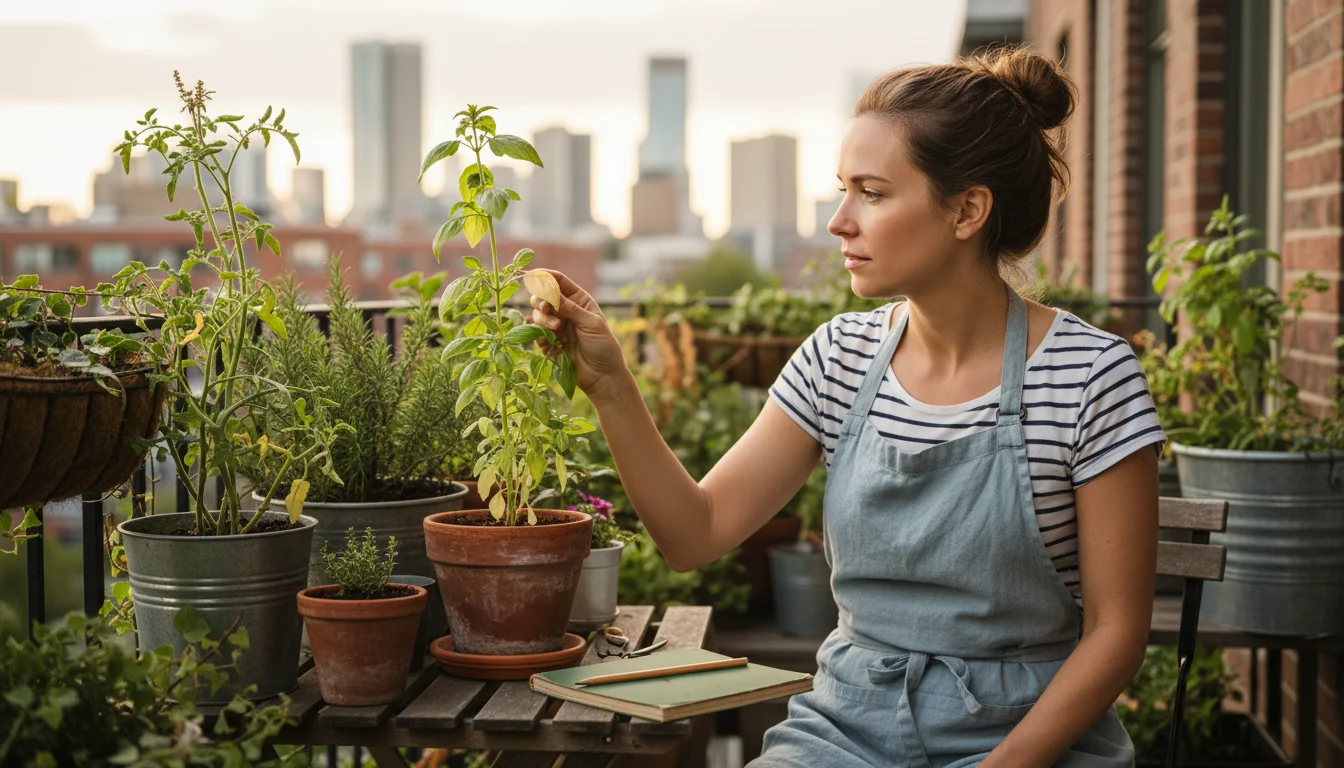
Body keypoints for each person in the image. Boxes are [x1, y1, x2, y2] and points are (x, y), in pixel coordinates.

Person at [528, 46, 1163, 767]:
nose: (838, 222)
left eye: (872, 192)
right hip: (844, 734)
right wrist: (610, 384)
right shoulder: (840, 359)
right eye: (843, 190)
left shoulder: (1090, 375)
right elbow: (694, 534)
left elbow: (1116, 632)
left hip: (1031, 741)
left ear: (967, 210)